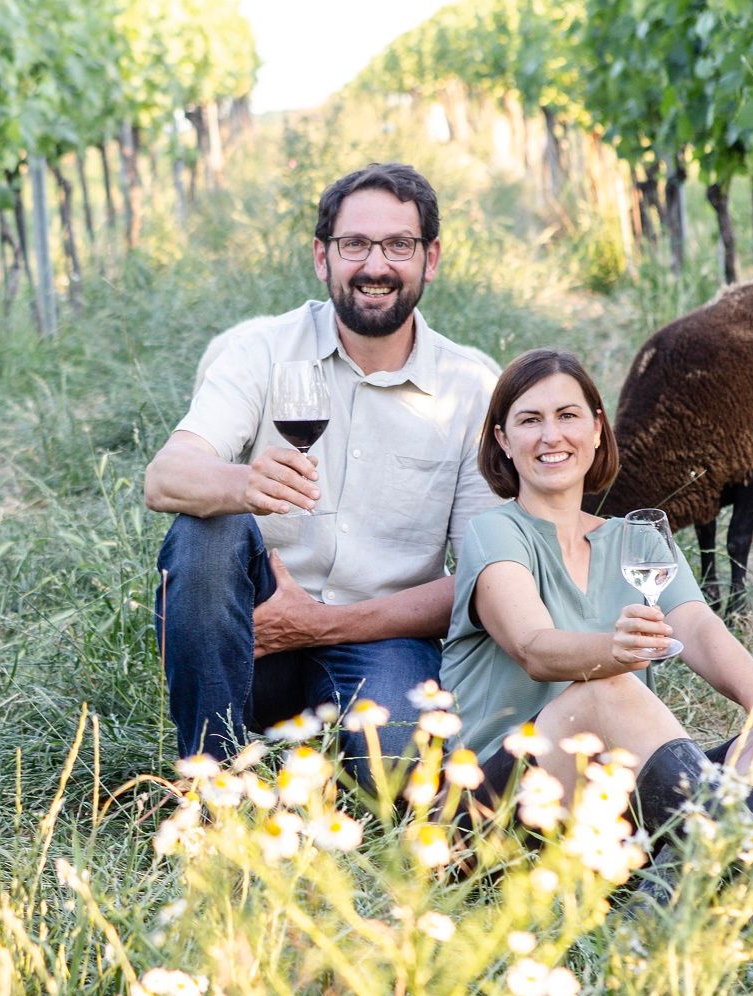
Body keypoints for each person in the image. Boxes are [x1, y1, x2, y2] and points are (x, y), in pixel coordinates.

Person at [439, 347, 753, 921]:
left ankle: (662, 899)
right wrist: (615, 651)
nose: (551, 435)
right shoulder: (494, 533)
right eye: (530, 420)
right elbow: (533, 648)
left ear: (597, 429)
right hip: (493, 816)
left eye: (567, 415)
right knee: (606, 689)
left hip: (606, 813)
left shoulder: (636, 540)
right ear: (503, 441)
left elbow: (700, 628)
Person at [144, 163, 501, 767]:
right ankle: (210, 775)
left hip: (381, 637)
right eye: (354, 244)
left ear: (431, 258)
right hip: (253, 635)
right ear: (322, 257)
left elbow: (480, 580)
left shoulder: (470, 389)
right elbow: (165, 476)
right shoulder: (262, 351)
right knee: (207, 530)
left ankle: (321, 754)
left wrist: (321, 625)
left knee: (396, 771)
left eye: (399, 245)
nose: (375, 265)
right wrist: (244, 483)